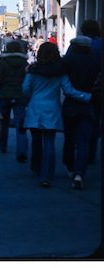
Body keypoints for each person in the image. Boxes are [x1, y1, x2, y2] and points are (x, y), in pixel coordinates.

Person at [22, 42, 91, 188]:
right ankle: (46, 174)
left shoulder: (33, 71)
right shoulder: (60, 72)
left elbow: (25, 89)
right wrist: (87, 96)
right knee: (49, 142)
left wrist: (31, 97)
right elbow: (69, 90)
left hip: (35, 108)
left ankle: (36, 166)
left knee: (36, 140)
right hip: (52, 109)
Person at [61, 36, 100, 189]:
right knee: (84, 140)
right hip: (89, 106)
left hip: (71, 105)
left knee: (69, 138)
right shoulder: (96, 61)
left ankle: (70, 166)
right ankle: (79, 173)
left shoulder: (67, 62)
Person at [0, 40, 29, 159]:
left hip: (5, 95)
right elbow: (28, 79)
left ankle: (3, 146)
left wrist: (2, 87)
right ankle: (22, 150)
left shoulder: (2, 62)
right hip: (20, 96)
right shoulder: (24, 63)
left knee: (3, 122)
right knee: (21, 124)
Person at [75, 19, 102, 165]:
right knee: (95, 120)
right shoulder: (100, 44)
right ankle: (90, 153)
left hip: (79, 90)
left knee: (80, 122)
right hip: (97, 89)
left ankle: (81, 151)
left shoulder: (77, 46)